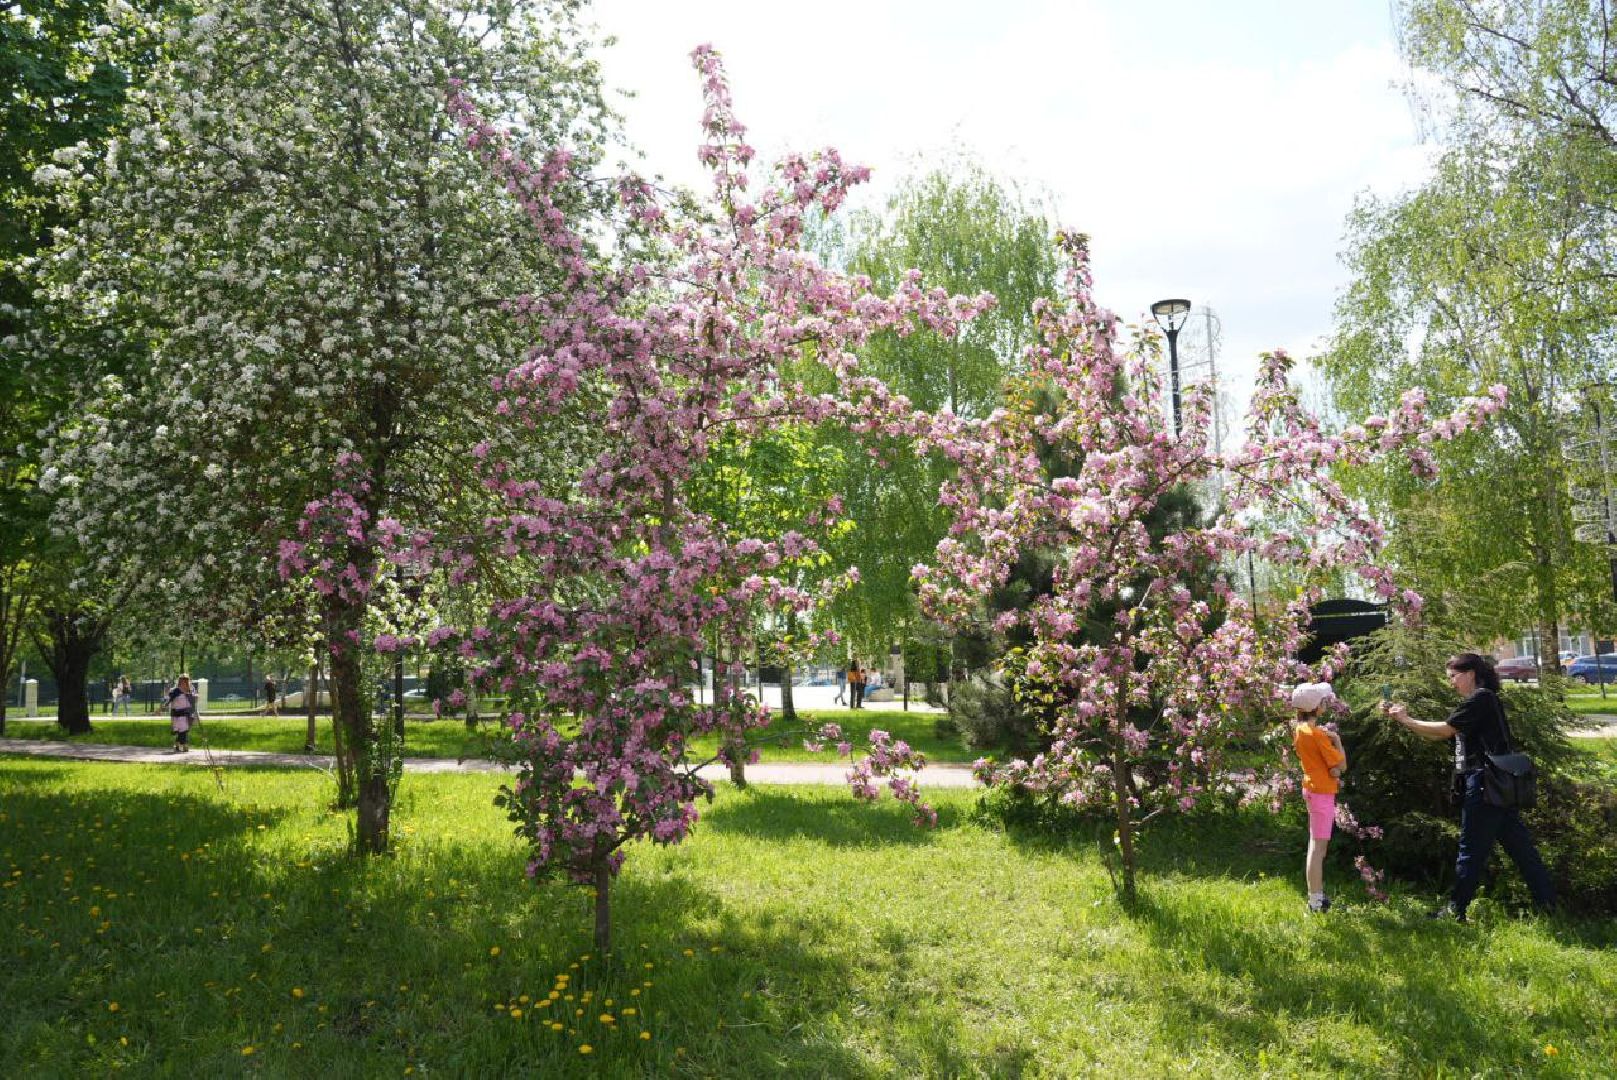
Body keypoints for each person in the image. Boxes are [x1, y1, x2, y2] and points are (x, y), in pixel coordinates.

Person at [1384, 652, 1555, 921]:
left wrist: (1406, 720)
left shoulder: (1481, 698)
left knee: (1470, 852)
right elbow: (1438, 735)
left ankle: (1456, 910)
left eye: (1454, 676)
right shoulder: (1480, 701)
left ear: (1471, 674)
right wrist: (1405, 721)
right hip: (1498, 785)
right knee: (1522, 851)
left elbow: (1444, 730)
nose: (1451, 683)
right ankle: (1548, 907)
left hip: (1486, 785)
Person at [1290, 682, 1346, 913]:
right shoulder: (1318, 735)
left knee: (1316, 846)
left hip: (1312, 789)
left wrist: (1331, 769)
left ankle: (1316, 898)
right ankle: (1316, 901)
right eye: (1323, 701)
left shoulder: (1300, 730)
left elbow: (1330, 767)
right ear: (1317, 707)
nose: (1326, 703)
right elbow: (1341, 765)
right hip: (1322, 793)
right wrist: (1337, 741)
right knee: (1318, 849)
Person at [166, 674, 199, 753]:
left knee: (184, 730)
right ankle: (184, 745)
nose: (184, 682)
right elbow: (170, 699)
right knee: (182, 730)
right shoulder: (175, 690)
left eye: (186, 681)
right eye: (182, 681)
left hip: (187, 713)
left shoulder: (191, 689)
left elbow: (194, 699)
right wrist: (163, 707)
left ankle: (178, 744)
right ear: (179, 681)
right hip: (177, 714)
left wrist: (195, 697)